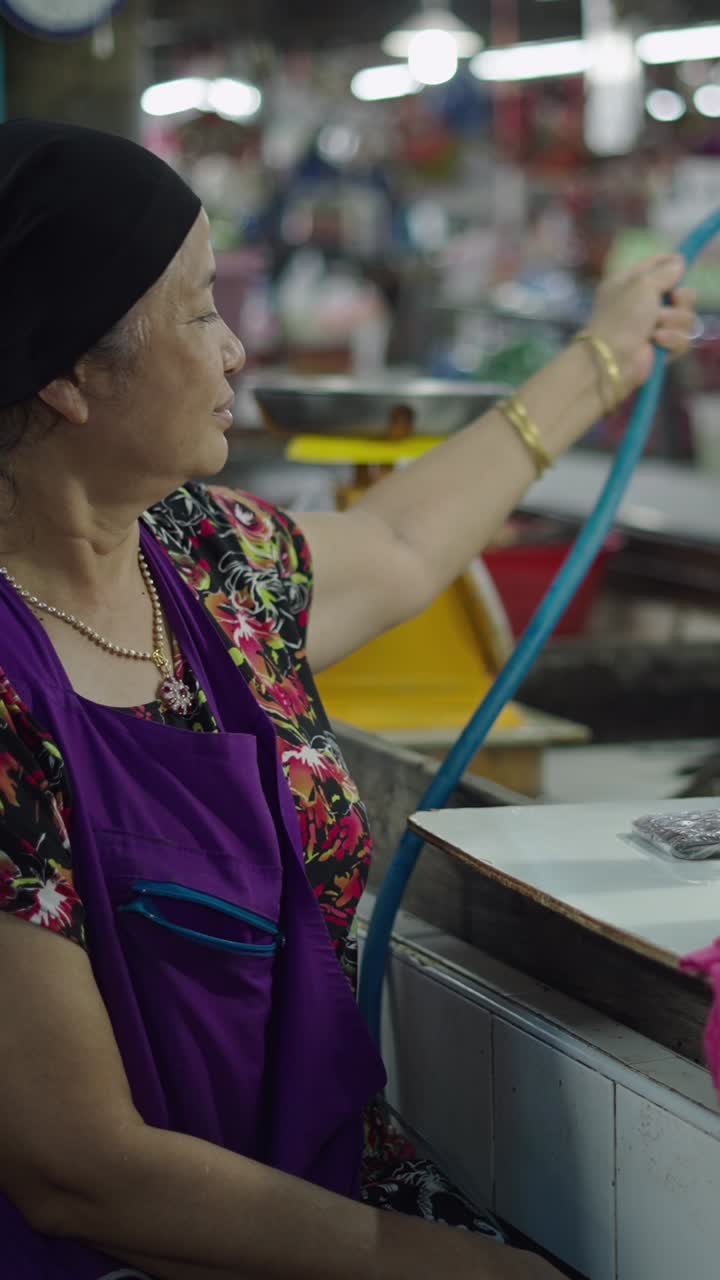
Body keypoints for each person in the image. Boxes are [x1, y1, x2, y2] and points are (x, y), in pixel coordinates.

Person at [0, 119, 696, 1280]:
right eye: (200, 310)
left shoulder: (206, 560)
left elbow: (403, 538)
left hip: (308, 1193)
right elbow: (81, 1166)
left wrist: (605, 354)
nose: (234, 351)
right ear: (69, 374)